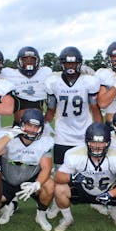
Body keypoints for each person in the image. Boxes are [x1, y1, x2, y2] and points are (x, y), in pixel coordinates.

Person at [43, 46, 103, 218]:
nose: (70, 65)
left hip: (84, 132)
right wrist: (44, 123)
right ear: (61, 63)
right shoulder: (53, 82)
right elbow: (51, 109)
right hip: (63, 134)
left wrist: (100, 130)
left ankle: (94, 200)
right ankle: (57, 202)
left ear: (79, 63)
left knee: (91, 170)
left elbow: (94, 108)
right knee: (60, 171)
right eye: (67, 62)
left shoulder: (88, 82)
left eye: (73, 62)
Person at [53, 122, 116, 231]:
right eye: (93, 142)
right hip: (82, 189)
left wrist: (110, 194)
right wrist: (73, 178)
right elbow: (58, 177)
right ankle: (67, 218)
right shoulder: (75, 154)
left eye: (101, 143)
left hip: (106, 190)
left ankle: (113, 212)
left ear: (108, 143)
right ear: (86, 142)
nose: (97, 146)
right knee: (59, 189)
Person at [0, 109, 54, 231]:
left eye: (36, 126)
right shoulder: (7, 135)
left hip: (30, 179)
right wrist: (9, 136)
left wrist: (37, 184)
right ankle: (10, 205)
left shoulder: (45, 141)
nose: (31, 129)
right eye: (29, 125)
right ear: (22, 124)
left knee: (49, 186)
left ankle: (41, 215)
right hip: (7, 179)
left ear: (41, 128)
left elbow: (46, 168)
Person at [0, 46, 52, 127]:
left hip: (38, 125)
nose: (29, 62)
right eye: (25, 59)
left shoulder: (44, 73)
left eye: (32, 59)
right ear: (19, 61)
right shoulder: (9, 74)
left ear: (37, 61)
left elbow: (52, 97)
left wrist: (49, 115)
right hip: (19, 125)